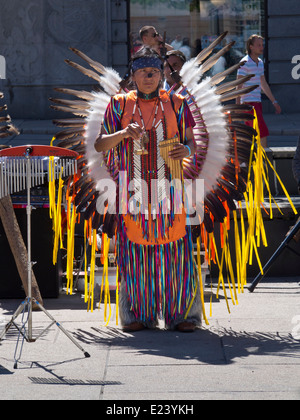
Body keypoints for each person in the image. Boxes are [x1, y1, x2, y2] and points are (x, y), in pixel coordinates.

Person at [94, 46, 201, 333]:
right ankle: (136, 315)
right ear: (133, 76)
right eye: (142, 72)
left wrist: (186, 148)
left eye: (154, 72)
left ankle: (183, 315)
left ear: (163, 74)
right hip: (133, 189)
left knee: (176, 251)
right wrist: (122, 134)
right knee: (135, 253)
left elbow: (195, 142)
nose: (149, 77)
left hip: (171, 187)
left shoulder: (177, 103)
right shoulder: (118, 105)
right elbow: (100, 144)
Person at [236, 34, 281, 148]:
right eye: (258, 45)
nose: (262, 47)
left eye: (262, 45)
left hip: (257, 103)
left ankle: (249, 160)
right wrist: (237, 106)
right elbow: (238, 85)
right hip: (248, 104)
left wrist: (274, 101)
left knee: (251, 133)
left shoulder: (260, 62)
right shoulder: (244, 63)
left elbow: (263, 83)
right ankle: (264, 157)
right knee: (262, 131)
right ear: (251, 47)